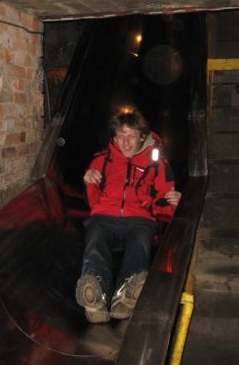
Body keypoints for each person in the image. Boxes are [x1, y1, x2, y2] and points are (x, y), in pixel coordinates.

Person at [75, 110, 182, 323]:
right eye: (120, 136)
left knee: (140, 240)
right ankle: (95, 294)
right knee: (96, 238)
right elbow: (93, 202)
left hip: (139, 218)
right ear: (114, 138)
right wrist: (88, 181)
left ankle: (126, 294)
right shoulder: (101, 160)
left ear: (141, 136)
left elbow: (163, 201)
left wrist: (175, 202)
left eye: (131, 136)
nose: (125, 142)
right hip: (105, 215)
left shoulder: (157, 164)